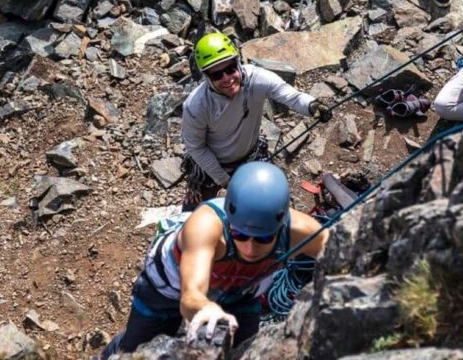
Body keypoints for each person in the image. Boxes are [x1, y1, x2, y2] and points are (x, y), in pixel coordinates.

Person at [101, 162, 330, 358]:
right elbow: (191, 294)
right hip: (167, 287)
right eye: (240, 235)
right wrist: (204, 308)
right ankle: (114, 349)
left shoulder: (302, 231)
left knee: (242, 351)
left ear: (280, 227)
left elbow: (343, 255)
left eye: (264, 238)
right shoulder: (205, 227)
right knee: (133, 350)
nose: (250, 248)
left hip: (240, 292)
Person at [181, 32, 333, 211]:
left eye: (230, 69)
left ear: (238, 63)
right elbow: (196, 147)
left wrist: (312, 106)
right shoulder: (196, 106)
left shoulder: (256, 79)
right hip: (210, 165)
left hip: (250, 154)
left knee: (270, 206)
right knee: (194, 217)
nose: (227, 79)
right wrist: (225, 181)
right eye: (217, 75)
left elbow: (290, 96)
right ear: (207, 77)